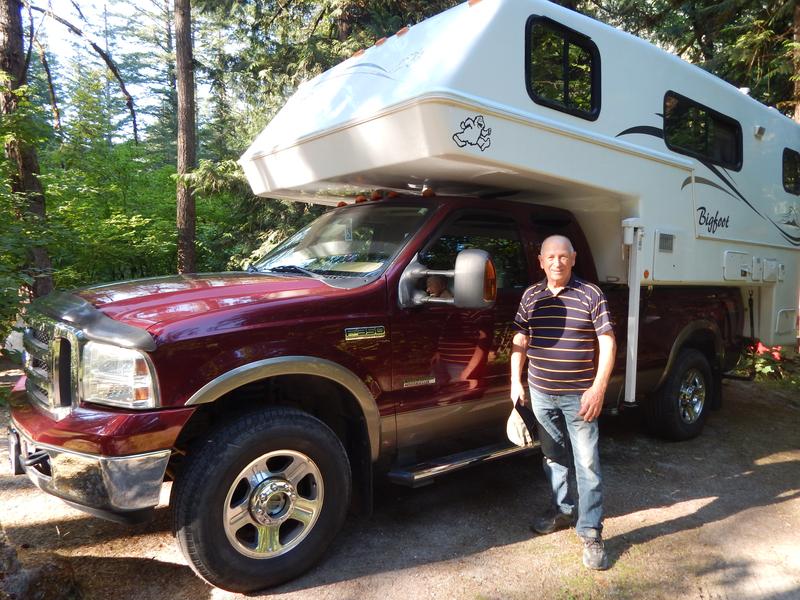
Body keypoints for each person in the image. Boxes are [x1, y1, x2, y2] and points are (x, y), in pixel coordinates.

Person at [510, 234, 616, 570]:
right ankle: (564, 511)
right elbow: (520, 339)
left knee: (586, 463)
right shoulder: (531, 296)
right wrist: (516, 381)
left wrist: (598, 388)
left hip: (579, 396)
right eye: (550, 257)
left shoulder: (591, 294)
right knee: (553, 456)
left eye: (563, 256)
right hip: (540, 393)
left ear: (573, 258)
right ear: (541, 260)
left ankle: (591, 532)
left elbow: (608, 342)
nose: (557, 262)